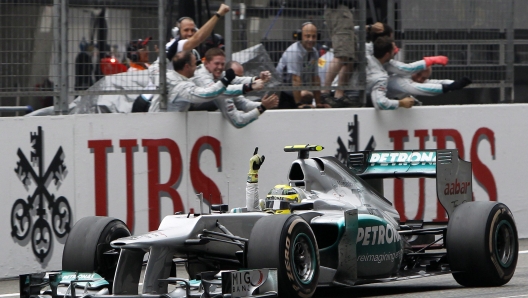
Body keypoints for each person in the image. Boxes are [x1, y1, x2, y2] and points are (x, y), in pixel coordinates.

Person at [190, 51, 278, 128]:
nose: (220, 67)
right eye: (217, 63)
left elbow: (242, 102)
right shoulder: (202, 77)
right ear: (206, 64)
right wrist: (251, 88)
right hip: (184, 116)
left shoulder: (218, 74)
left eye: (222, 64)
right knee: (221, 94)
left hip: (195, 120)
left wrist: (258, 79)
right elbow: (238, 121)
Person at [148, 50, 241, 112]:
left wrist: (168, 54)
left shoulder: (162, 75)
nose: (197, 67)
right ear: (187, 66)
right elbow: (206, 94)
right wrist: (225, 81)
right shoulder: (182, 86)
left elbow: (153, 67)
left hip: (155, 119)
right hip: (163, 127)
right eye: (194, 64)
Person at [276, 22, 330, 109]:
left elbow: (315, 78)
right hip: (282, 94)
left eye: (314, 36)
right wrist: (299, 105)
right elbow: (295, 79)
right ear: (301, 36)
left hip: (296, 91)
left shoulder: (314, 53)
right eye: (307, 36)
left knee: (308, 96)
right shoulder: (294, 52)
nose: (311, 39)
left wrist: (318, 102)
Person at [166, 3, 231, 64]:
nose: (190, 33)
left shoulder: (194, 53)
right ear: (178, 32)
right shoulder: (175, 45)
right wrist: (218, 14)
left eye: (192, 30)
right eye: (186, 30)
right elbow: (198, 38)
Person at [321, 1, 357, 106]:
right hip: (339, 10)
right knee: (342, 55)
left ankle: (339, 94)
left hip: (342, 10)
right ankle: (325, 92)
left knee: (349, 57)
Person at [387, 67, 472, 99]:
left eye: (423, 78)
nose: (419, 79)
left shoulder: (422, 82)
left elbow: (438, 82)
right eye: (418, 74)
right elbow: (417, 88)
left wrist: (456, 83)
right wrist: (449, 87)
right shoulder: (400, 79)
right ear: (413, 70)